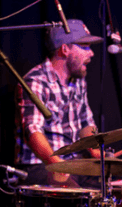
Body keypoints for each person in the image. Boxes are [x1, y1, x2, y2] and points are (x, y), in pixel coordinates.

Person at [15, 19, 105, 188]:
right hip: (41, 165)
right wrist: (58, 166)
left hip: (73, 162)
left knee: (120, 184)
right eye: (84, 46)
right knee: (81, 196)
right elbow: (33, 132)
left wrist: (98, 154)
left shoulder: (78, 80)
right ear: (65, 49)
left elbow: (86, 123)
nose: (91, 53)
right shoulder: (35, 81)